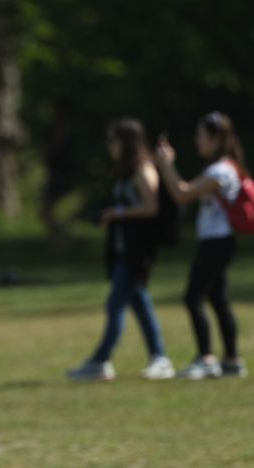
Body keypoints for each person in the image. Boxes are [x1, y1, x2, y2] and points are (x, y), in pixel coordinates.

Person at [68, 118, 175, 381]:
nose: (110, 146)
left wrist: (119, 212)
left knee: (115, 303)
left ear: (126, 142)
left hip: (137, 251)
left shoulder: (143, 170)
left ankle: (100, 360)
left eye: (113, 140)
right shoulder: (127, 171)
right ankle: (159, 357)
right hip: (122, 248)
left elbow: (152, 208)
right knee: (139, 302)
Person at [154, 112, 248, 379]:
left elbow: (182, 194)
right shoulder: (226, 167)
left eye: (201, 136)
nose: (197, 141)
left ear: (216, 138)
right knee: (218, 299)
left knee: (193, 297)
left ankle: (206, 359)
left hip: (217, 242)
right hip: (217, 241)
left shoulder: (221, 170)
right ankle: (232, 359)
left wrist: (166, 165)